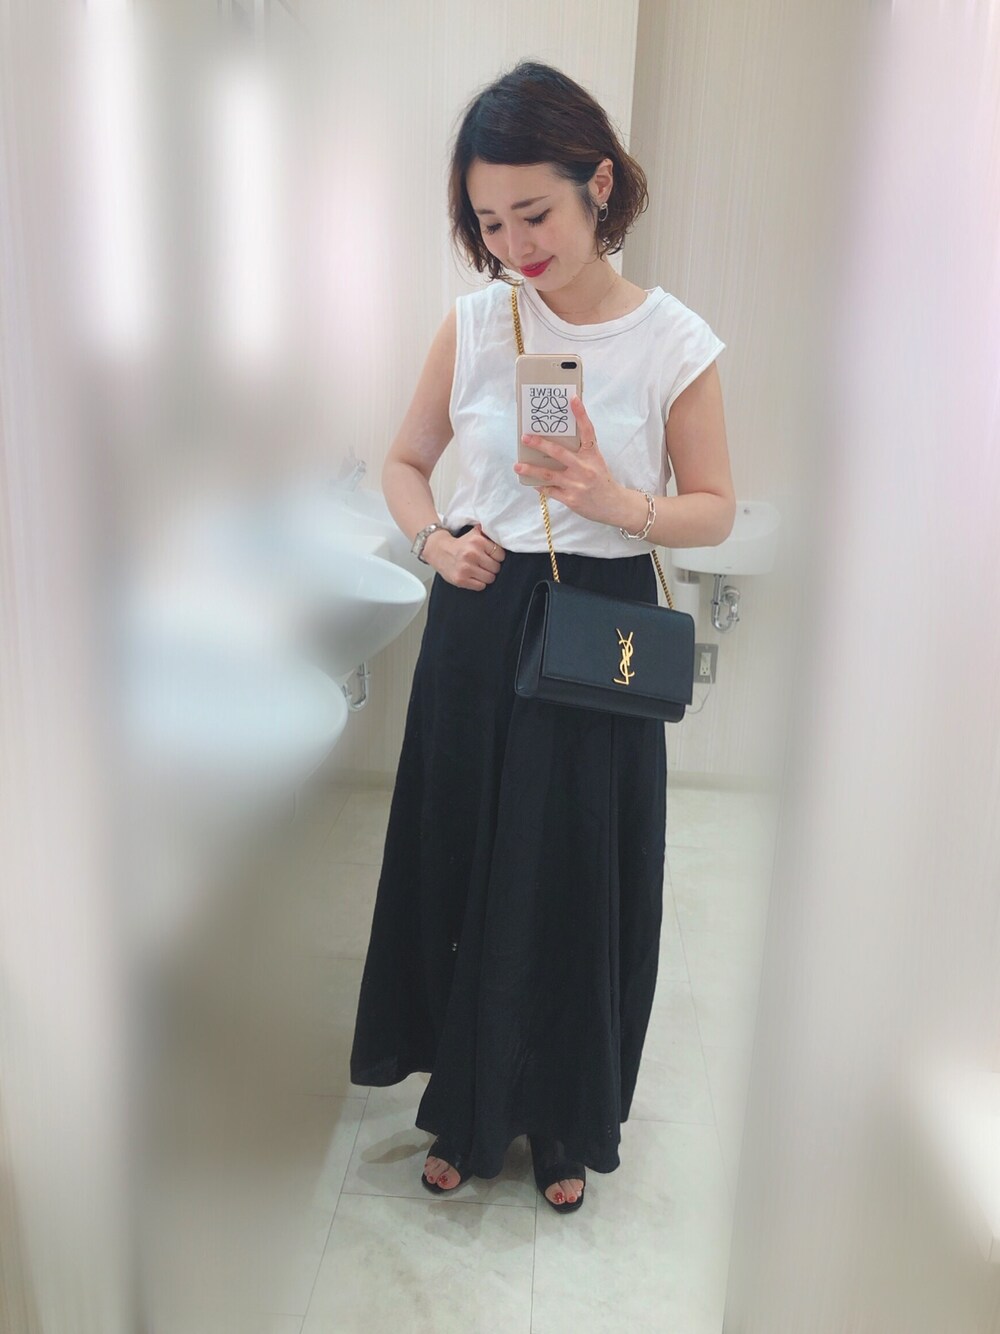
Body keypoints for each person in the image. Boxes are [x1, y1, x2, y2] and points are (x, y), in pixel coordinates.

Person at [349, 59, 735, 1214]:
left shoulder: (674, 340)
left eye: (534, 213)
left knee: (576, 871)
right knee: (467, 855)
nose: (514, 244)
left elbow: (714, 508)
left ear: (597, 185)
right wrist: (433, 541)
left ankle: (565, 1114)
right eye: (488, 222)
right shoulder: (475, 324)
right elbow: (403, 462)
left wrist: (621, 502)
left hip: (599, 620)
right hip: (481, 613)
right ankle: (467, 1106)